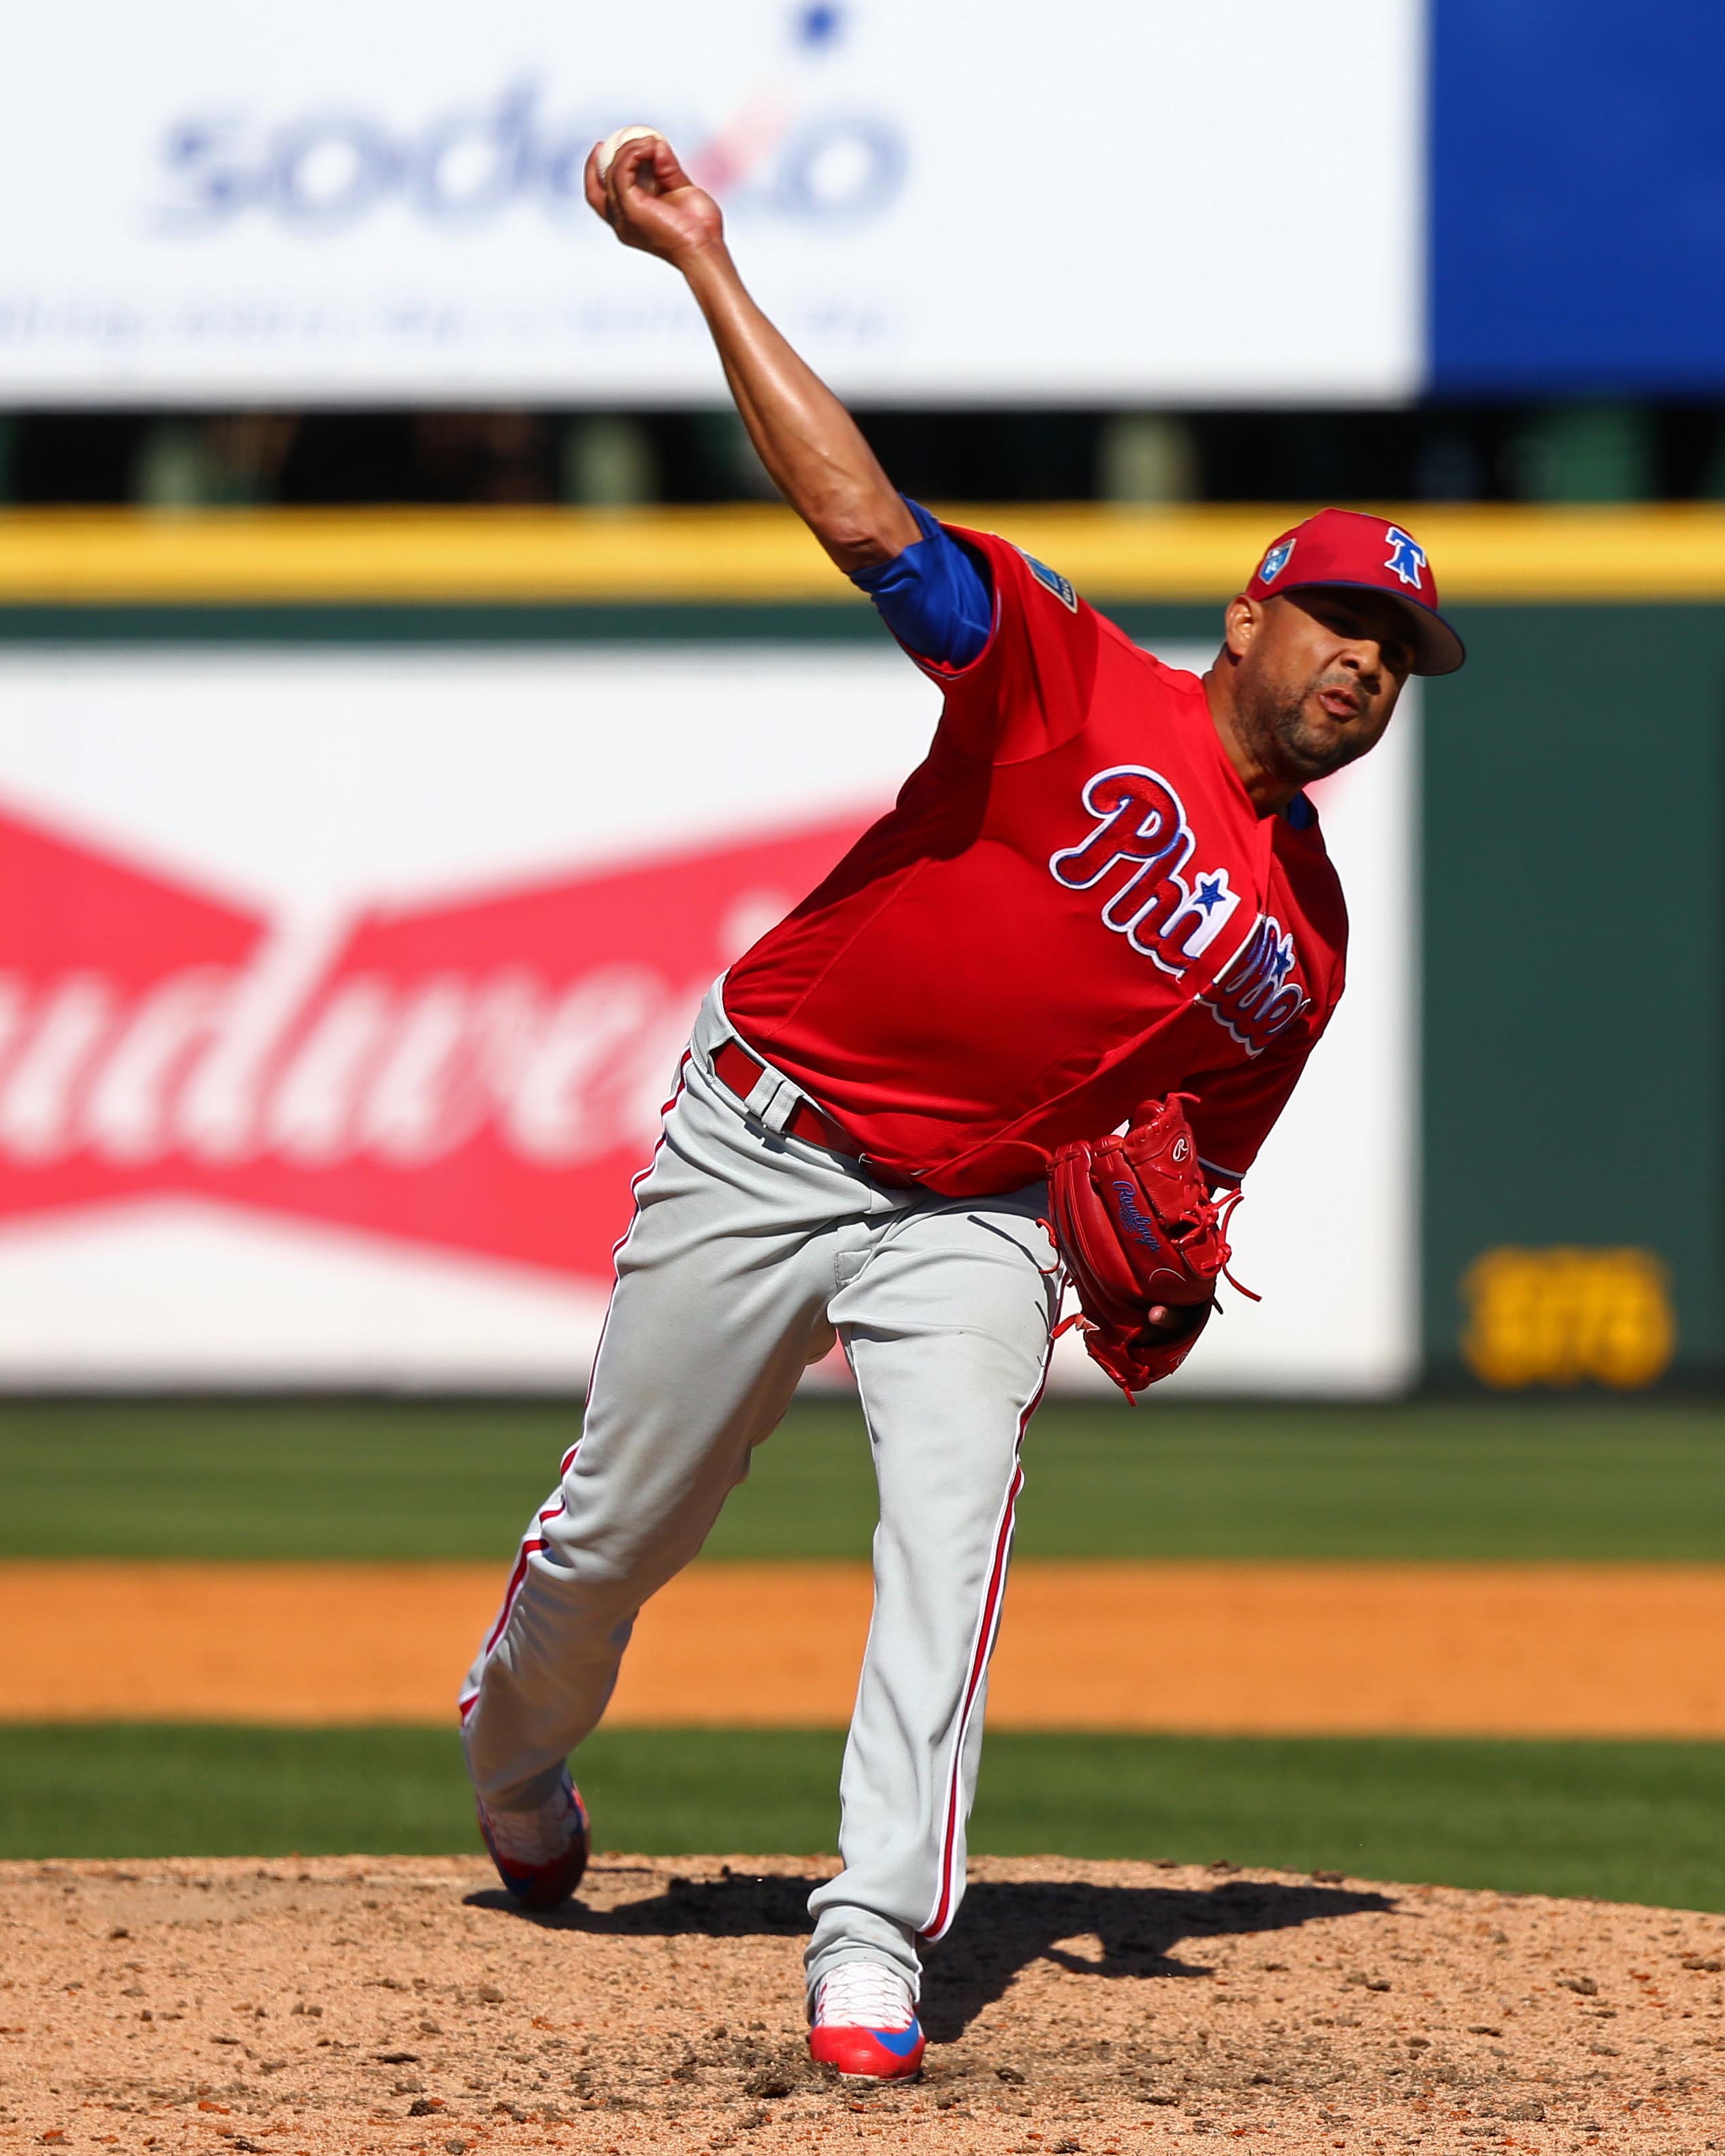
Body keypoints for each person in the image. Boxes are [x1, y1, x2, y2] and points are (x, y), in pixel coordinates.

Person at [458, 130, 1466, 2083]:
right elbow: (869, 527)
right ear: (1249, 618)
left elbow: (1195, 1181)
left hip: (977, 1222)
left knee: (951, 1535)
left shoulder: (1307, 947)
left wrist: (1157, 1272)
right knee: (619, 1535)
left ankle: (869, 1953)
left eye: (1400, 650)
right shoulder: (1074, 685)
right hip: (771, 1124)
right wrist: (704, 263)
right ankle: (516, 1753)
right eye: (1341, 618)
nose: (1365, 662)